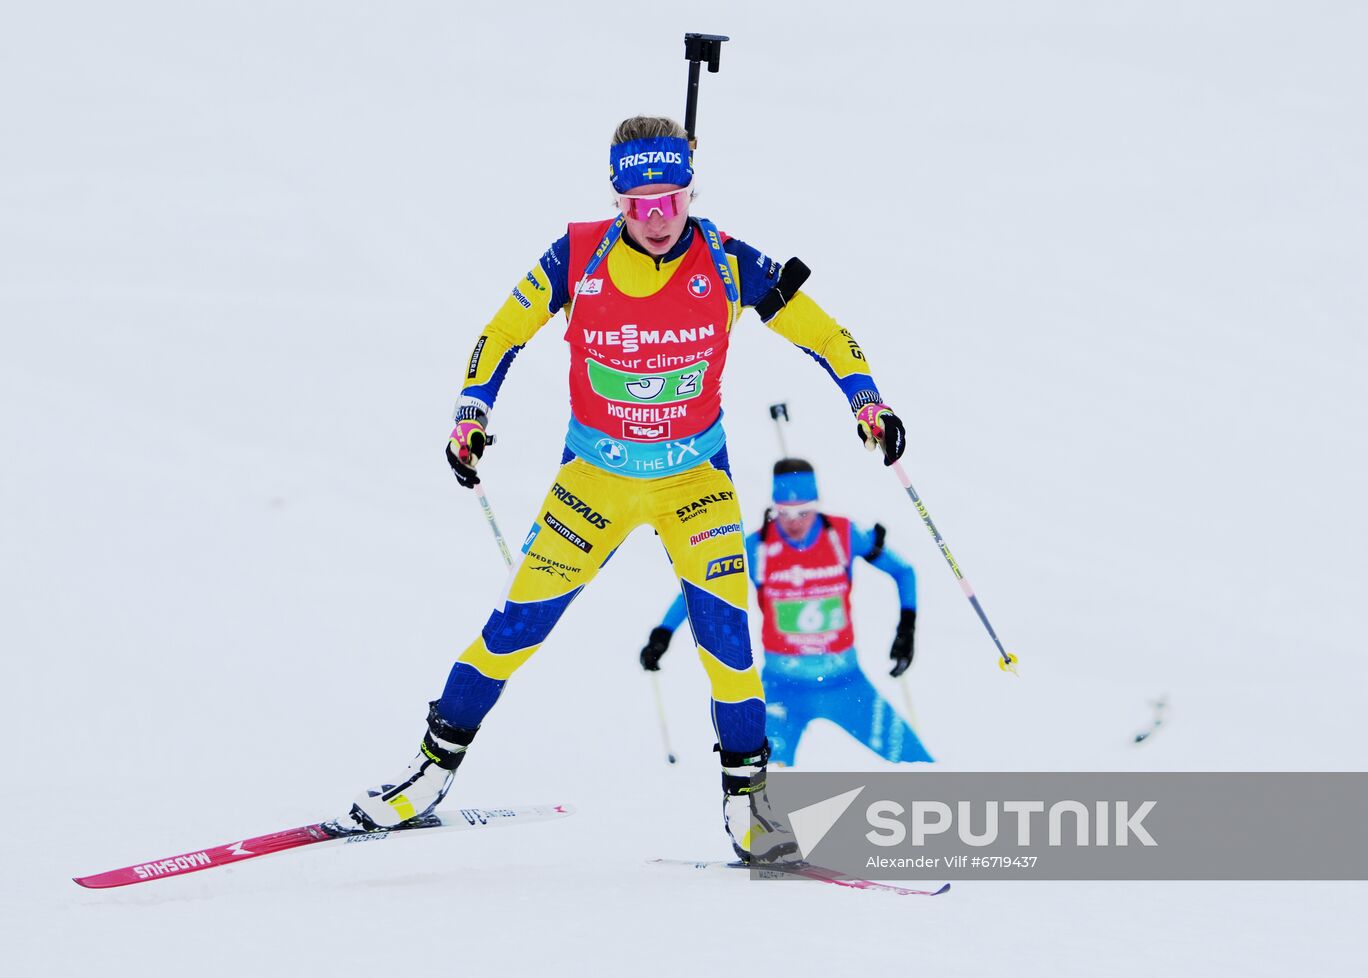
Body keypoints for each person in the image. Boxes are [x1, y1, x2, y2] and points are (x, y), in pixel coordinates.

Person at [345, 116, 908, 863]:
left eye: (670, 199)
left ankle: (748, 804)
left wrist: (868, 402)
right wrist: (471, 413)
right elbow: (500, 333)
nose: (656, 218)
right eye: (639, 204)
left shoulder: (731, 263)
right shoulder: (575, 256)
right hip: (595, 482)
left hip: (694, 485)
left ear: (689, 192)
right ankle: (428, 772)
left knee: (728, 644)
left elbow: (827, 335)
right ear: (616, 199)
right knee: (516, 628)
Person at [641, 458, 933, 766]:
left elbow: (904, 571)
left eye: (804, 511)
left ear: (817, 505)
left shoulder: (842, 535)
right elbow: (704, 587)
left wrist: (907, 630)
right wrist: (663, 634)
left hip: (846, 683)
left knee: (921, 769)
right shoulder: (757, 548)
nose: (794, 521)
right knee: (763, 780)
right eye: (784, 512)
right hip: (782, 689)